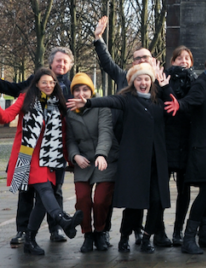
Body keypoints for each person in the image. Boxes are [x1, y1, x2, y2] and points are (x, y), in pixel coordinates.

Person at [0, 48, 75, 245]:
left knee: (55, 190)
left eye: (65, 62)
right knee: (25, 191)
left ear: (69, 66)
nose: (61, 65)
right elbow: (9, 92)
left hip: (53, 152)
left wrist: (72, 154)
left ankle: (55, 229)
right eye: (58, 61)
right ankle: (23, 230)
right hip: (27, 151)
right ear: (50, 64)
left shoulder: (67, 90)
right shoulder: (28, 92)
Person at [67, 63, 171, 254]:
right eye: (139, 79)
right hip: (135, 160)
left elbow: (173, 107)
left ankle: (147, 237)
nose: (143, 82)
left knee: (157, 202)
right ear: (133, 82)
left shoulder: (158, 100)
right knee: (134, 203)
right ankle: (124, 236)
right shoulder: (127, 100)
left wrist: (166, 87)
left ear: (151, 81)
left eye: (147, 78)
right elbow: (108, 101)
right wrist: (88, 103)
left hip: (157, 161)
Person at [164, 53, 206, 255]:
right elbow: (190, 101)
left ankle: (204, 235)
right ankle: (188, 238)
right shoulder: (201, 84)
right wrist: (179, 104)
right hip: (203, 148)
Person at [66, 73, 117, 253]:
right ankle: (87, 234)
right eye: (77, 90)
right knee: (82, 199)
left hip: (105, 160)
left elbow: (105, 132)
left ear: (91, 91)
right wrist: (75, 156)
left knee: (101, 199)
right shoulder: (70, 112)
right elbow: (70, 139)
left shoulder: (101, 107)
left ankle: (100, 232)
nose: (81, 93)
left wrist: (102, 154)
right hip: (83, 161)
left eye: (85, 89)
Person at [164, 46, 196, 245]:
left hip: (186, 140)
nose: (183, 61)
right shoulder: (163, 80)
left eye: (187, 58)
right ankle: (158, 230)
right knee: (160, 188)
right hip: (167, 139)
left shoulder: (196, 81)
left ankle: (178, 230)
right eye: (179, 58)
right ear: (172, 61)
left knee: (184, 190)